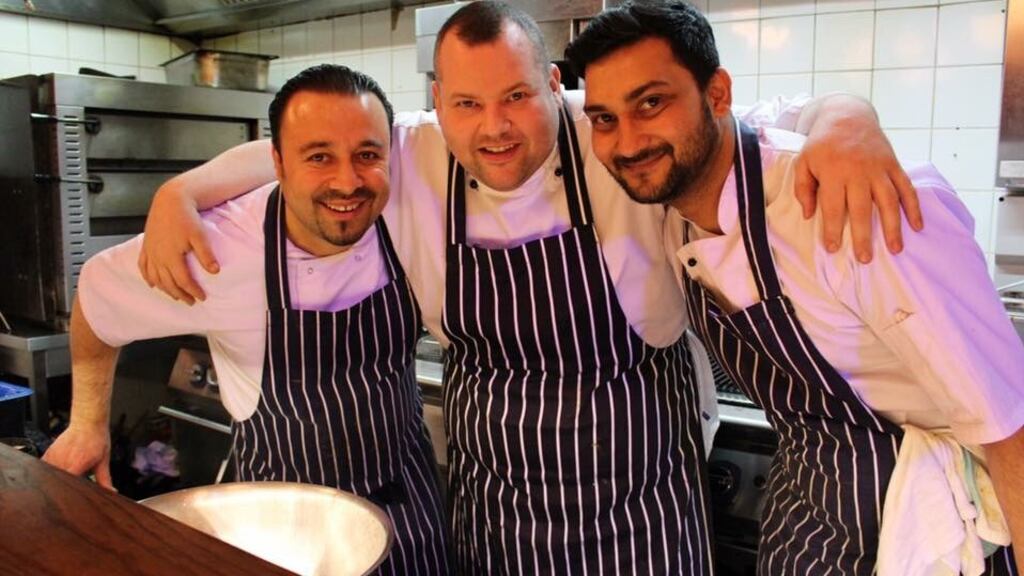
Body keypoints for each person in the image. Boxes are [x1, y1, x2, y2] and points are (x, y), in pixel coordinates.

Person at [135, 3, 921, 573]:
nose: (495, 127)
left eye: (517, 97)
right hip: (496, 517)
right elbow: (297, 151)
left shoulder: (609, 131)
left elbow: (772, 118)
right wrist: (183, 191)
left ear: (553, 85)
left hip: (641, 513)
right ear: (438, 104)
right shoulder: (416, 151)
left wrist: (849, 123)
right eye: (469, 104)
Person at [566, 2, 1024, 574]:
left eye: (651, 103)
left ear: (717, 95)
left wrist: (850, 119)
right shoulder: (673, 205)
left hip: (934, 530)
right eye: (605, 118)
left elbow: (1011, 425)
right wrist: (844, 111)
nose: (627, 142)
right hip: (806, 518)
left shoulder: (852, 209)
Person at [42, 65, 450, 576]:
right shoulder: (221, 249)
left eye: (367, 156)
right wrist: (85, 423)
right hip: (284, 539)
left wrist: (183, 186)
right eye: (318, 157)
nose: (347, 181)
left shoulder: (395, 205)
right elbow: (97, 300)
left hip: (409, 517)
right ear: (278, 162)